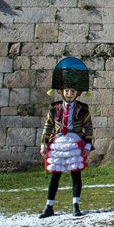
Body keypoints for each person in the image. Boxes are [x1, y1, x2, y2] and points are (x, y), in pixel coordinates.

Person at [38, 57, 93, 218]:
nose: (70, 94)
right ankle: (49, 206)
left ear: (78, 93)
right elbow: (48, 125)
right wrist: (44, 143)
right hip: (58, 143)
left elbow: (88, 127)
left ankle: (76, 204)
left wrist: (88, 144)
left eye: (73, 91)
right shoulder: (55, 109)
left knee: (76, 174)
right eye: (67, 91)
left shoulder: (83, 109)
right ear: (62, 92)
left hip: (75, 143)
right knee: (56, 175)